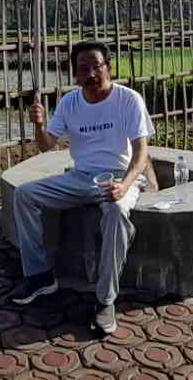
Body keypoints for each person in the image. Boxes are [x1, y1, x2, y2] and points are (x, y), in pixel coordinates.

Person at [9, 40, 153, 334]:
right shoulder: (70, 103)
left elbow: (140, 154)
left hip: (119, 175)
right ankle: (40, 277)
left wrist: (124, 185)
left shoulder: (128, 100)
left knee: (114, 211)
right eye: (82, 68)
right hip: (81, 175)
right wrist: (39, 124)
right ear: (74, 73)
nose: (90, 74)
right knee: (25, 195)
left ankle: (105, 300)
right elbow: (46, 145)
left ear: (108, 67)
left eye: (95, 67)